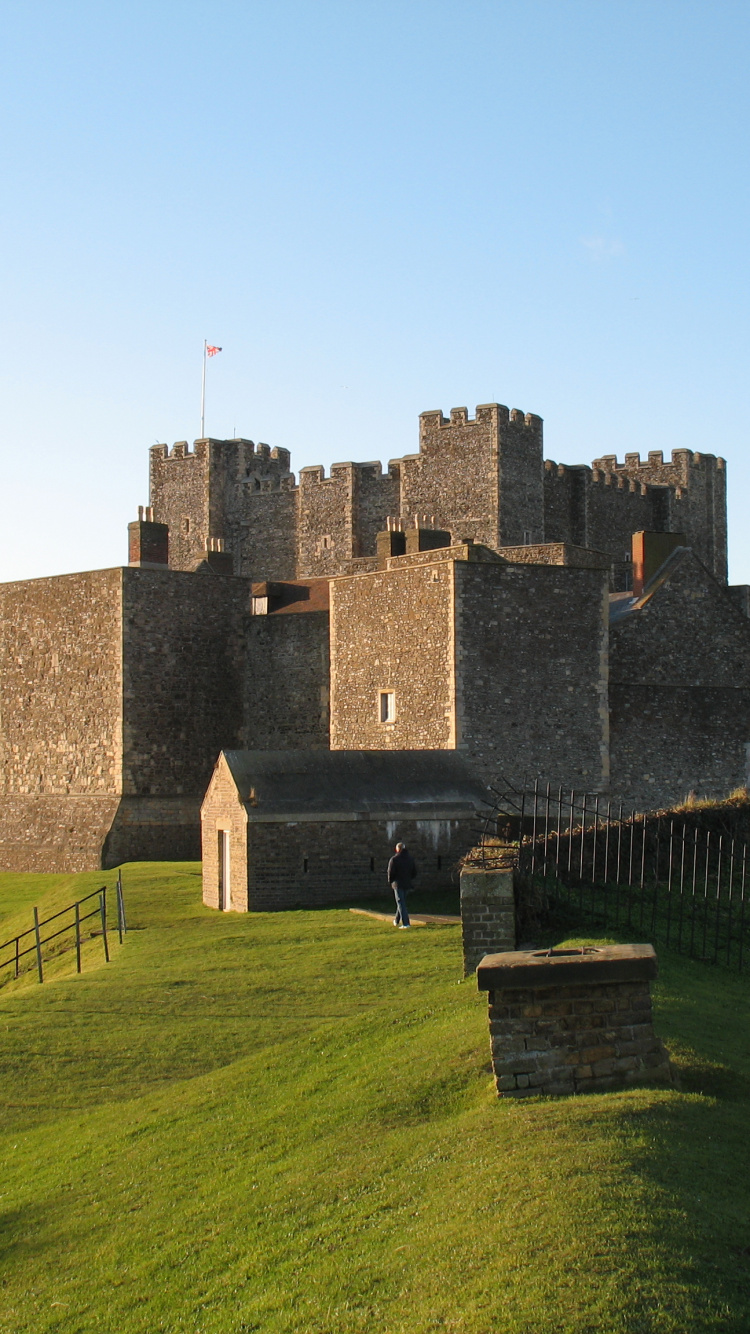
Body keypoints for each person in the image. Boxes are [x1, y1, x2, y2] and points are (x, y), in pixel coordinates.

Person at [387, 841, 417, 928]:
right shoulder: (410, 859)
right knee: (401, 902)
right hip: (407, 883)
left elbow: (390, 872)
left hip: (398, 883)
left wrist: (390, 881)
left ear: (397, 849)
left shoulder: (394, 859)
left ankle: (406, 923)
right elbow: (414, 872)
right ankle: (396, 920)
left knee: (400, 902)